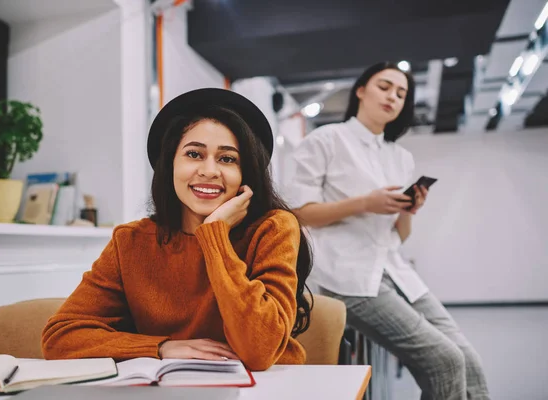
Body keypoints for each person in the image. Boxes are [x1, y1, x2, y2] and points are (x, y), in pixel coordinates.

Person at [42, 88, 313, 371]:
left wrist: (215, 235)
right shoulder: (132, 242)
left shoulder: (273, 228)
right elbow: (60, 338)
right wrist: (161, 347)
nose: (209, 170)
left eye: (227, 159)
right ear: (170, 164)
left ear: (247, 173)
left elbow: (259, 350)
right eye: (194, 154)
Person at [289, 62, 489, 399]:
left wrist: (408, 210)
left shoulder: (400, 157)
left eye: (401, 93)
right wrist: (364, 203)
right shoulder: (326, 140)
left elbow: (398, 236)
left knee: (470, 361)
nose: (393, 97)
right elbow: (298, 213)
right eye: (384, 87)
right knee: (445, 360)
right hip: (345, 277)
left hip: (392, 270)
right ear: (361, 90)